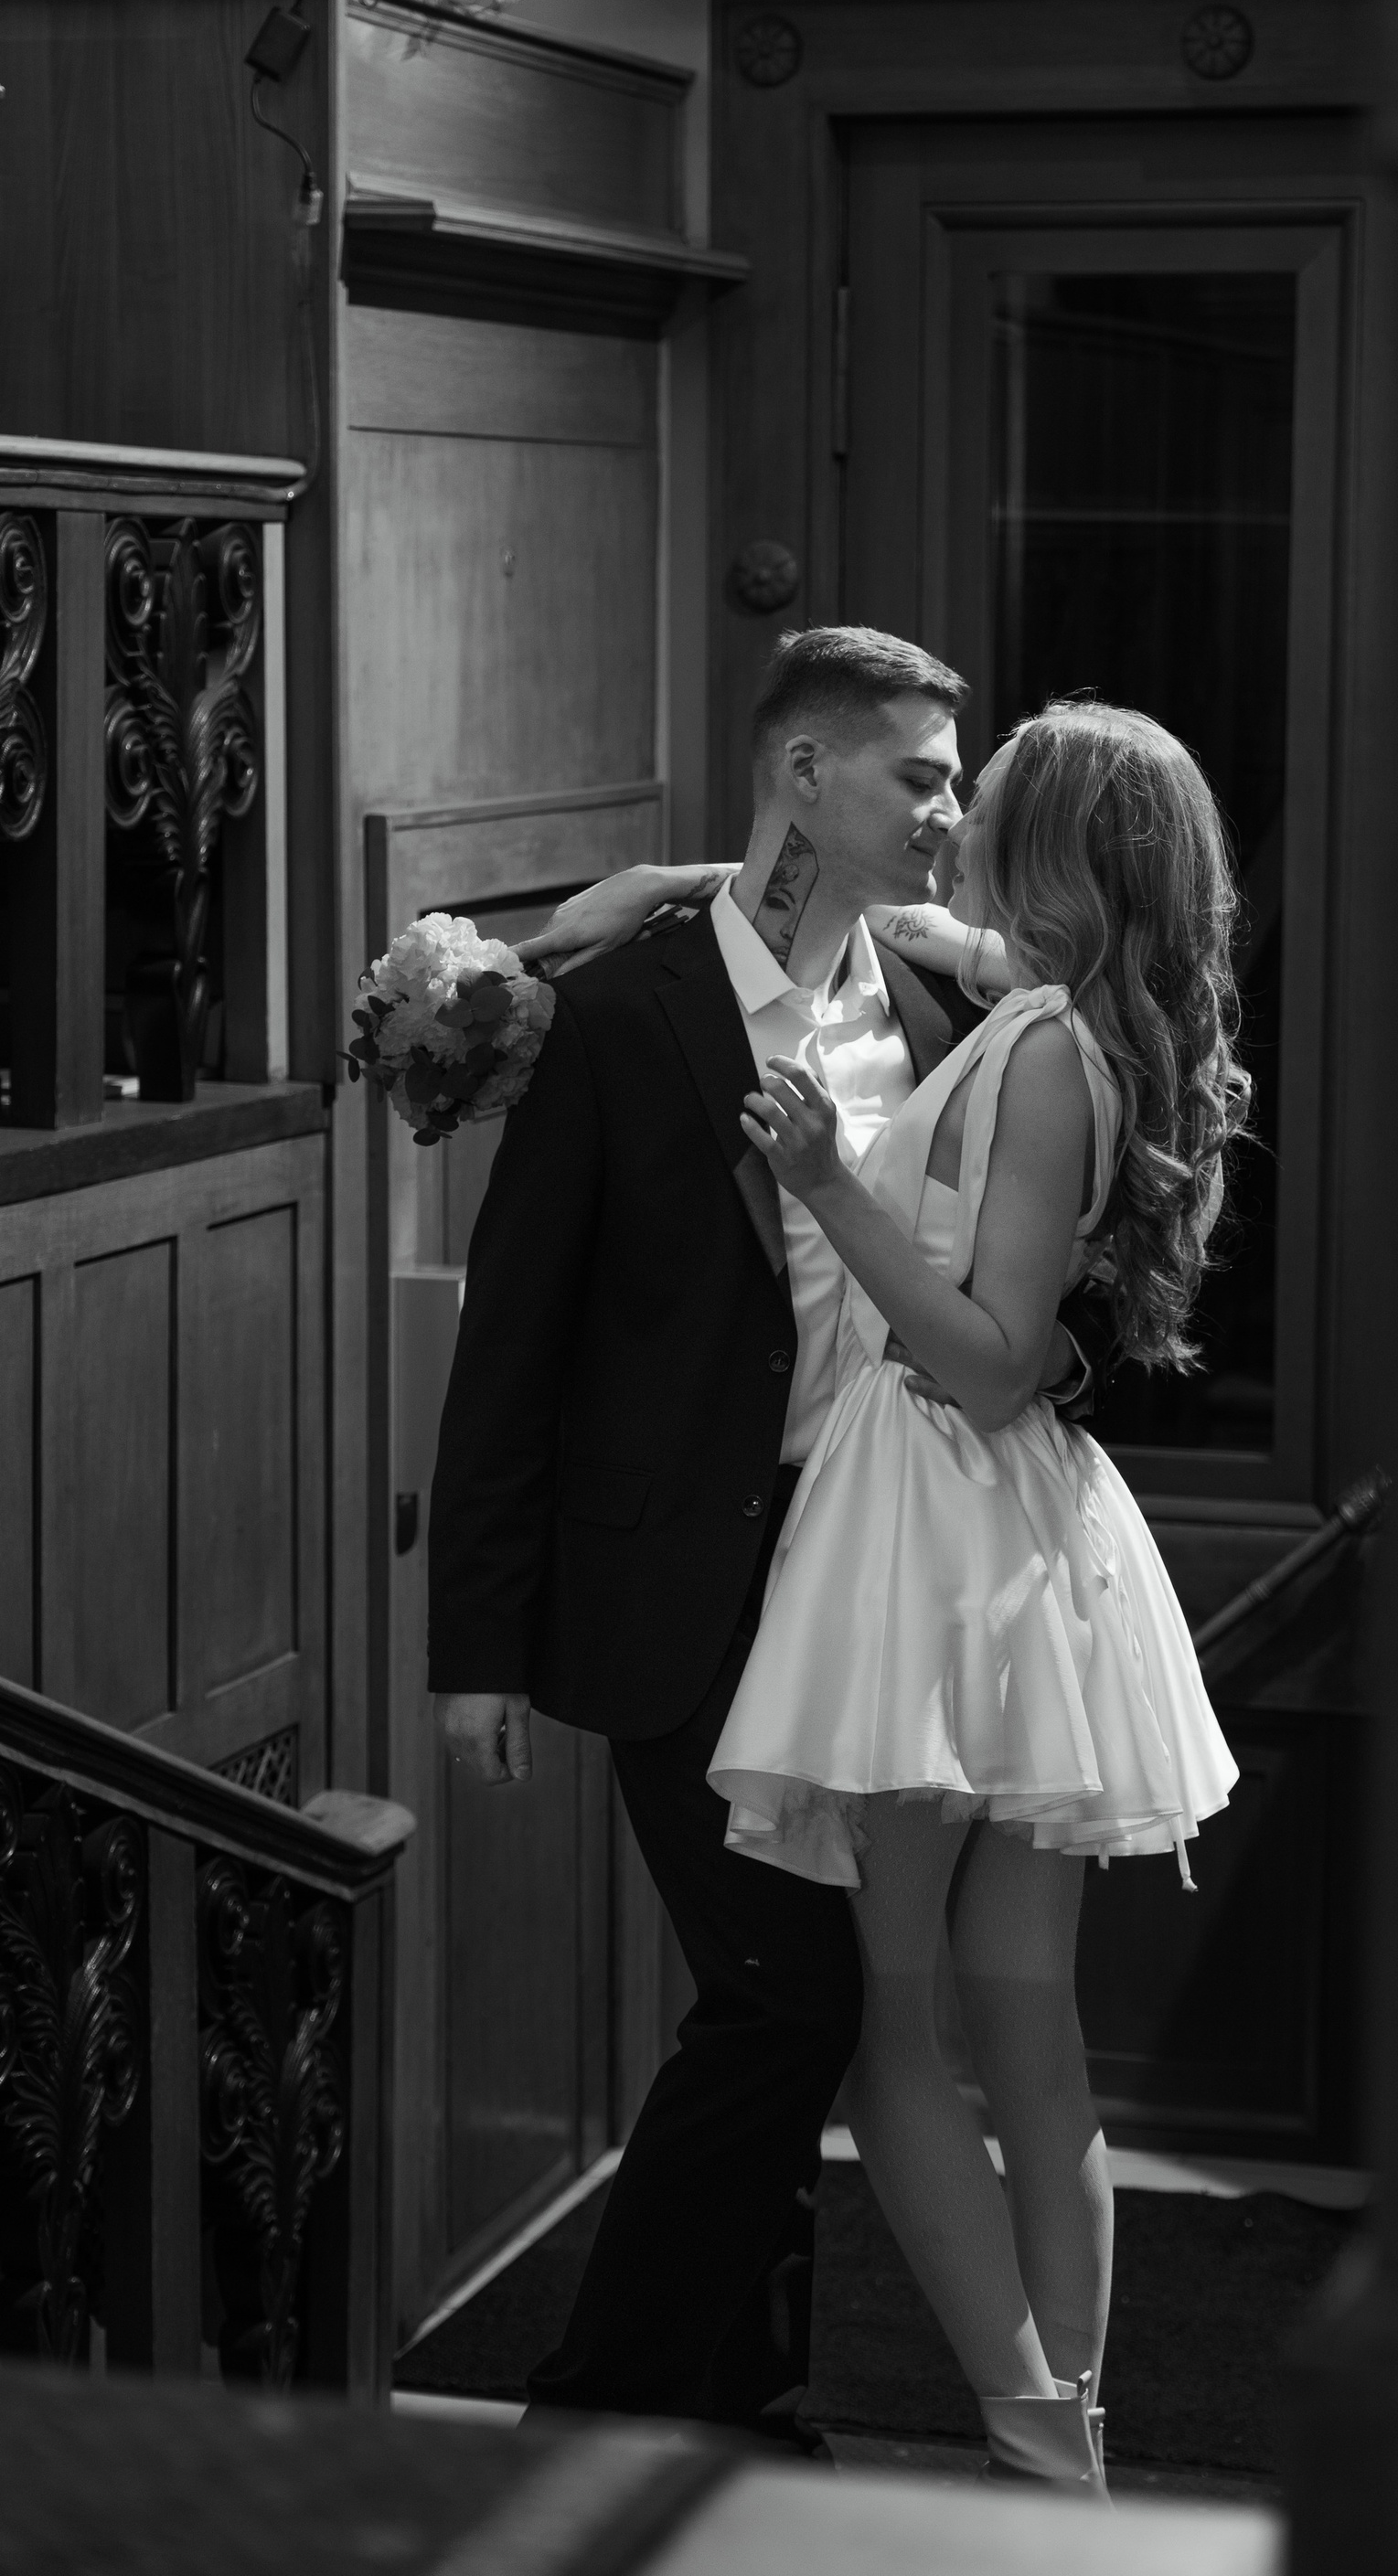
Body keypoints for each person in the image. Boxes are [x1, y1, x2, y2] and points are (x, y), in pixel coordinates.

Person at [426, 626, 1102, 2441]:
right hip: (682, 1589)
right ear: (805, 772)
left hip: (881, 1586)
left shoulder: (948, 1010)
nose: (950, 810)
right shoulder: (623, 1014)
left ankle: (744, 2397)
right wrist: (477, 1649)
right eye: (920, 776)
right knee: (784, 1996)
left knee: (828, 2007)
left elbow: (1011, 1270)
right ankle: (596, 2411)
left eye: (955, 780)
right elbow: (514, 1341)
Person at [703, 701, 1248, 2490]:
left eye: (987, 798)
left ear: (1055, 844)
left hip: (941, 1518)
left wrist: (823, 1184)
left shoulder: (1041, 1057)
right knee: (1025, 2019)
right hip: (1014, 1536)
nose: (957, 823)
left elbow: (996, 1358)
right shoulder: (1075, 1014)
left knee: (895, 2030)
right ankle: (1070, 2431)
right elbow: (919, 923)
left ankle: (1035, 2441)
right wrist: (657, 892)